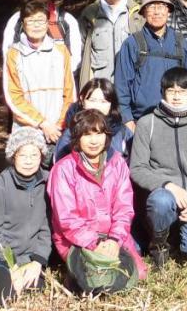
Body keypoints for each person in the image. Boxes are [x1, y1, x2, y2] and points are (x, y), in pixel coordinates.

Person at [129, 68, 187, 268]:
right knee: (161, 200)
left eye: (183, 91)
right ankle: (159, 244)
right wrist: (168, 185)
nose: (177, 96)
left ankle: (179, 236)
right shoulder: (147, 124)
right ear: (163, 93)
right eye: (171, 91)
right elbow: (138, 168)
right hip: (163, 196)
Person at [49, 110, 146, 294]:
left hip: (113, 235)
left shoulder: (117, 163)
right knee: (96, 280)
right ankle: (75, 274)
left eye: (99, 133)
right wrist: (94, 243)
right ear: (77, 138)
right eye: (87, 134)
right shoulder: (63, 169)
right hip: (77, 239)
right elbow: (66, 219)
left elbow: (124, 208)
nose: (94, 141)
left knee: (137, 274)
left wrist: (115, 239)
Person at [0, 128, 51, 306]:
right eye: (23, 155)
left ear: (41, 157)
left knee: (36, 288)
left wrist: (37, 262)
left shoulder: (47, 184)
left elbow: (46, 230)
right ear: (13, 156)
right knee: (5, 298)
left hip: (27, 256)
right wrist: (13, 267)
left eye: (34, 155)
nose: (29, 161)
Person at [114, 0, 187, 131]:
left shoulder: (179, 41)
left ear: (168, 11)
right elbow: (122, 85)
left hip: (177, 118)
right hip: (141, 120)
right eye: (151, 7)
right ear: (143, 12)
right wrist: (127, 119)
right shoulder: (132, 43)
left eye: (162, 6)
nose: (157, 12)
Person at [3, 0, 75, 153]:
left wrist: (59, 124)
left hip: (58, 128)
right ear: (23, 23)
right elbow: (13, 96)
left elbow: (70, 92)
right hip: (27, 128)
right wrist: (42, 123)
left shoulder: (61, 51)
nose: (36, 25)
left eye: (41, 20)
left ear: (48, 23)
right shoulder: (14, 54)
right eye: (31, 20)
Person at [2, 0, 81, 74]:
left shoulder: (66, 20)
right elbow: (9, 54)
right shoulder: (17, 19)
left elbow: (75, 57)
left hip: (60, 83)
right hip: (27, 83)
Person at [78, 0, 142, 86]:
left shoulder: (138, 16)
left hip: (132, 87)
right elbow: (78, 53)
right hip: (98, 89)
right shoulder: (89, 15)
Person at [53, 78, 131, 162]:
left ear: (112, 104)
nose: (97, 106)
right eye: (92, 100)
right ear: (82, 100)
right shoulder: (71, 132)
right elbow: (59, 163)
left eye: (103, 101)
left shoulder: (122, 132)